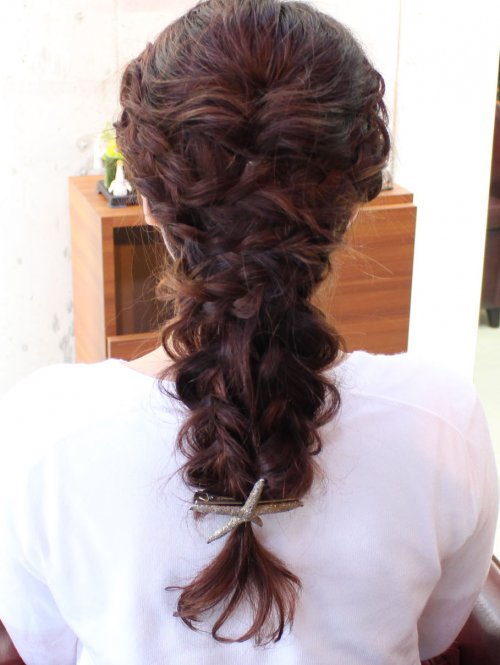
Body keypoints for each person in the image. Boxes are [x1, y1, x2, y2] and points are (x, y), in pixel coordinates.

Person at [0, 1, 498, 663]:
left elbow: (46, 648)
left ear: (147, 200)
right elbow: (434, 633)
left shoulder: (45, 432)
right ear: (354, 203)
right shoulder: (440, 423)